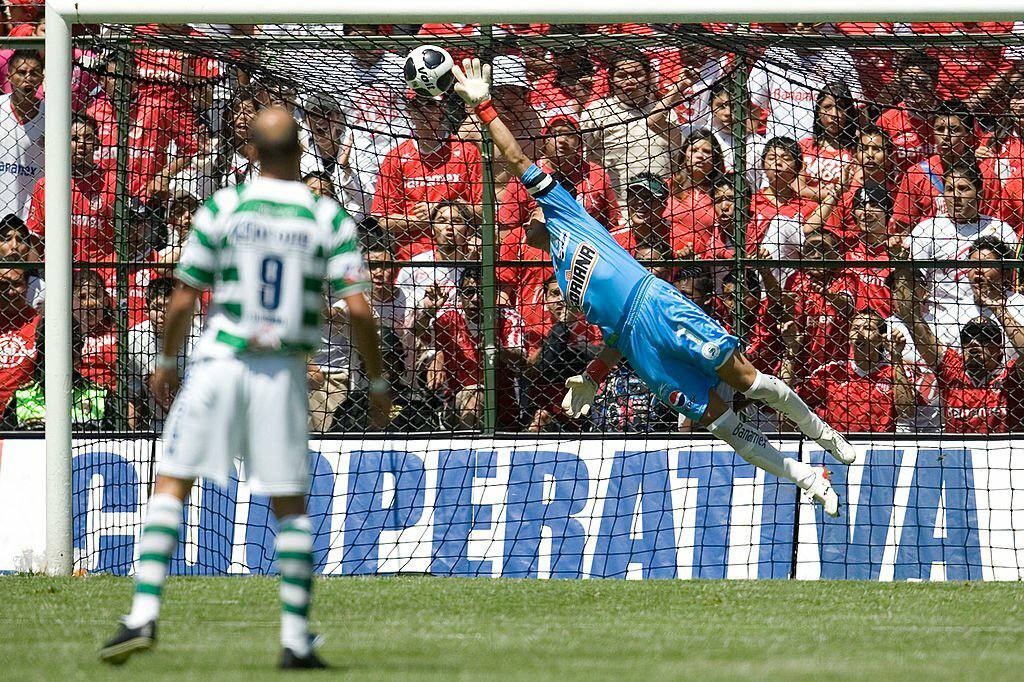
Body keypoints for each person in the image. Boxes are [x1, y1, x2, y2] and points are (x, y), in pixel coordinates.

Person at [451, 57, 852, 516]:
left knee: (746, 380)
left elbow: (516, 157)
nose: (531, 215)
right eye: (527, 217)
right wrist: (594, 376)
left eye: (534, 209)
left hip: (657, 302)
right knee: (717, 420)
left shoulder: (567, 212)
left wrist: (484, 106)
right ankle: (805, 476)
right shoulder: (562, 275)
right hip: (639, 344)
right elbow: (616, 332)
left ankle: (822, 433)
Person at [100, 108, 391, 669]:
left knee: (173, 481)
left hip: (217, 362)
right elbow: (359, 310)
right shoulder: (324, 215)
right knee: (289, 505)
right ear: (301, 151)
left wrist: (164, 359)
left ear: (251, 152)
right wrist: (376, 380)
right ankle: (295, 638)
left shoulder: (224, 206)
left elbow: (184, 296)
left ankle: (141, 614)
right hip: (281, 371)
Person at [783, 308, 917, 433]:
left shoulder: (895, 370)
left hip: (879, 449)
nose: (859, 332)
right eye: (855, 328)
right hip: (837, 448)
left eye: (868, 328)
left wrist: (896, 357)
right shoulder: (832, 371)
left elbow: (907, 412)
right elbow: (787, 404)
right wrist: (791, 351)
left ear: (881, 339)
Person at [0, 50, 43, 220]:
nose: (28, 78)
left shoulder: (53, 117)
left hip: (32, 217)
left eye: (34, 73)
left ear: (41, 78)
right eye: (22, 72)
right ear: (10, 77)